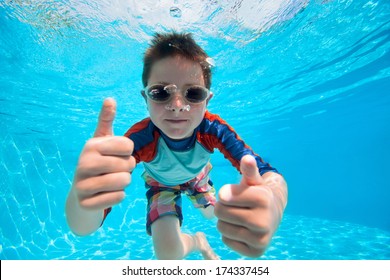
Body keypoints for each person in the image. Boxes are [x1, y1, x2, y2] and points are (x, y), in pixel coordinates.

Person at [65, 32, 288, 260]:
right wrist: (83, 197)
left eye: (193, 93)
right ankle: (198, 242)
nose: (178, 105)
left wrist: (275, 201)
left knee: (214, 214)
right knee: (168, 255)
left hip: (197, 178)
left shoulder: (213, 130)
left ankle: (203, 221)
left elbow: (267, 173)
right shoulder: (140, 139)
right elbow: (83, 228)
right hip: (161, 184)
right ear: (146, 98)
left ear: (207, 100)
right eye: (160, 93)